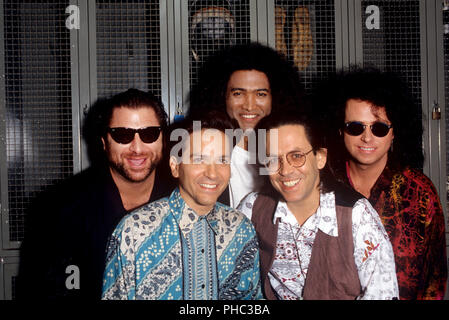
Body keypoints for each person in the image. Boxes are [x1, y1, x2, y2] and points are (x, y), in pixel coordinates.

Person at [18, 88, 174, 299]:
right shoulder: (57, 209)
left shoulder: (183, 201)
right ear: (104, 142)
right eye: (122, 135)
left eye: (149, 134)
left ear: (163, 140)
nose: (137, 148)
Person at [237, 109, 399, 300]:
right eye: (273, 160)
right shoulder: (253, 207)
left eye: (297, 156)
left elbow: (382, 294)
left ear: (320, 158)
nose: (286, 171)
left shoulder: (357, 215)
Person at [102, 110, 262, 300]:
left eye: (222, 160)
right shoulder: (133, 231)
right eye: (199, 159)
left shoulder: (241, 229)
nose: (212, 173)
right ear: (175, 166)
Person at [323, 67, 447, 299]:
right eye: (355, 127)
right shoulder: (324, 188)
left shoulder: (420, 194)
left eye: (379, 128)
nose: (367, 138)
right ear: (340, 131)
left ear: (394, 133)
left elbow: (434, 280)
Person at [189, 41, 304, 208]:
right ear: (222, 96)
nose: (249, 105)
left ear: (276, 98)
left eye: (261, 94)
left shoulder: (292, 154)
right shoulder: (203, 151)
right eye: (238, 93)